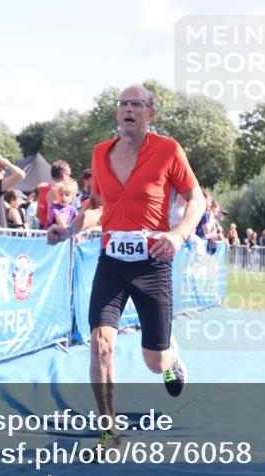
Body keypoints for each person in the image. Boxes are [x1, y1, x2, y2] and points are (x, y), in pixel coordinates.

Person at [46, 84, 205, 446]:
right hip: (112, 262)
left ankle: (172, 359)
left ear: (151, 113)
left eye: (137, 104)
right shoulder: (100, 153)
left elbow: (194, 199)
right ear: (117, 113)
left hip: (153, 263)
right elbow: (98, 207)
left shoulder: (169, 150)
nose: (129, 109)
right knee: (100, 343)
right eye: (123, 104)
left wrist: (179, 235)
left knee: (154, 360)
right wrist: (70, 229)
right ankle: (109, 430)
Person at [37, 160, 72, 229]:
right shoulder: (56, 190)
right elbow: (53, 215)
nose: (70, 178)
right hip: (52, 230)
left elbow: (38, 213)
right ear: (64, 175)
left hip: (43, 228)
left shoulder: (44, 189)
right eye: (69, 175)